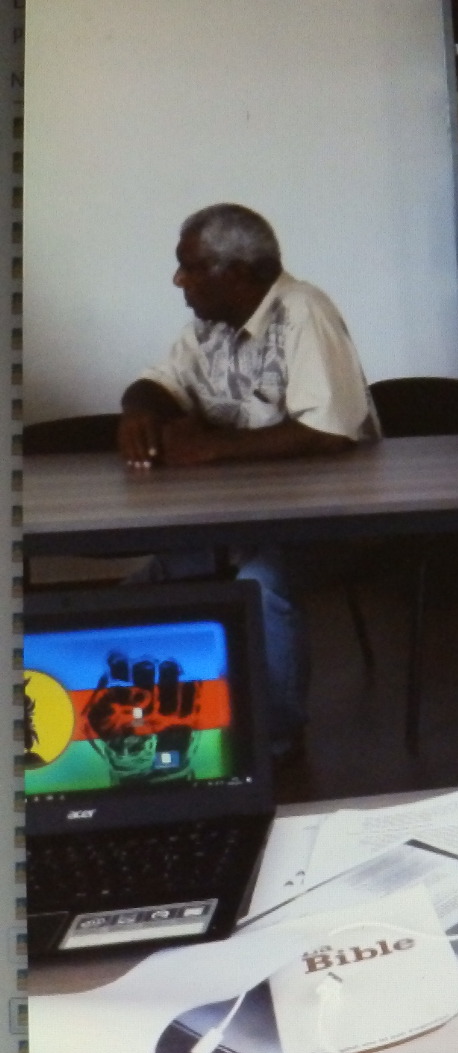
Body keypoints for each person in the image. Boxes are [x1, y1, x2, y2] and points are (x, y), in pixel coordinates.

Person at [118, 203, 380, 759]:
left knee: (261, 583)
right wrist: (138, 408)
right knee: (155, 580)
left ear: (234, 272)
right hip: (244, 517)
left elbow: (329, 433)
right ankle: (148, 724)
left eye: (190, 267)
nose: (178, 279)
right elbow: (160, 382)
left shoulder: (303, 311)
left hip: (333, 520)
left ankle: (272, 743)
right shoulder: (210, 325)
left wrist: (212, 446)